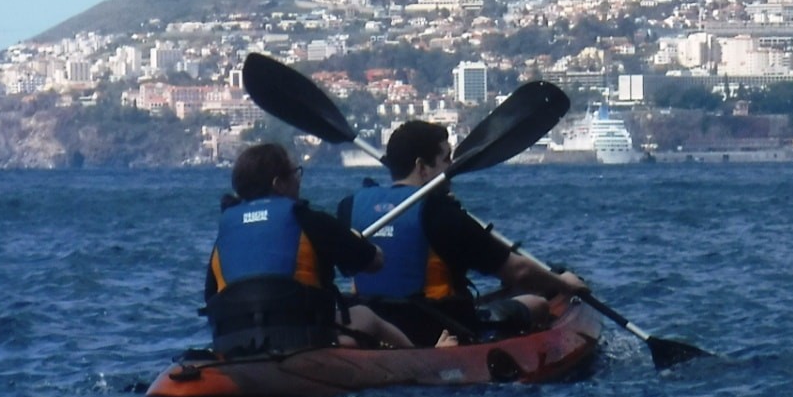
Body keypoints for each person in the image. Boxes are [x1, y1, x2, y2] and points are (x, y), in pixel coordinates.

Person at [338, 120, 588, 347]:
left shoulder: (349, 207)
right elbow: (518, 271)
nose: (453, 167)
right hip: (437, 329)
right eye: (446, 159)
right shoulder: (441, 213)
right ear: (422, 167)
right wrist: (563, 283)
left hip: (374, 325)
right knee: (538, 303)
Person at [203, 143, 415, 353]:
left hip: (234, 342)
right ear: (278, 184)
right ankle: (420, 359)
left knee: (347, 333)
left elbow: (211, 296)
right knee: (365, 316)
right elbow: (374, 262)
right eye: (295, 173)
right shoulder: (311, 221)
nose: (298, 180)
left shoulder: (225, 233)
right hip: (302, 337)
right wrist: (356, 239)